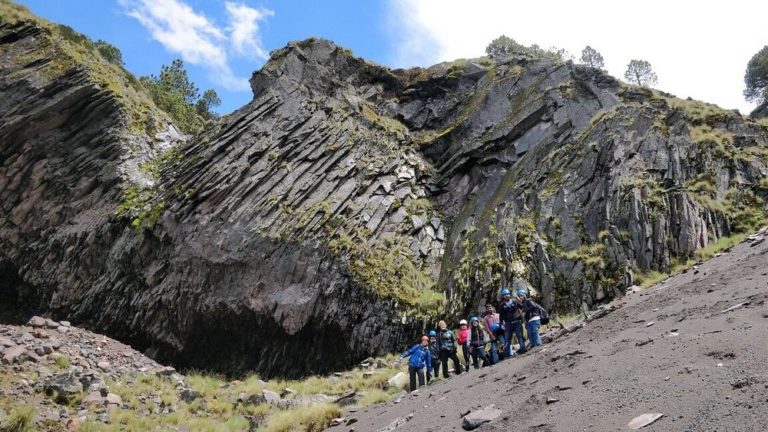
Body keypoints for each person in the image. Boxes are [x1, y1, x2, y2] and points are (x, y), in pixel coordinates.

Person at [498, 288, 526, 356]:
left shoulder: (515, 301)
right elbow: (501, 316)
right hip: (508, 324)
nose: (507, 296)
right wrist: (501, 324)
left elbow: (522, 307)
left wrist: (523, 316)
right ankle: (507, 354)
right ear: (503, 296)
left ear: (510, 295)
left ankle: (523, 349)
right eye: (505, 295)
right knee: (507, 339)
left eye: (508, 294)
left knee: (520, 336)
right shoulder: (502, 305)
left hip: (517, 322)